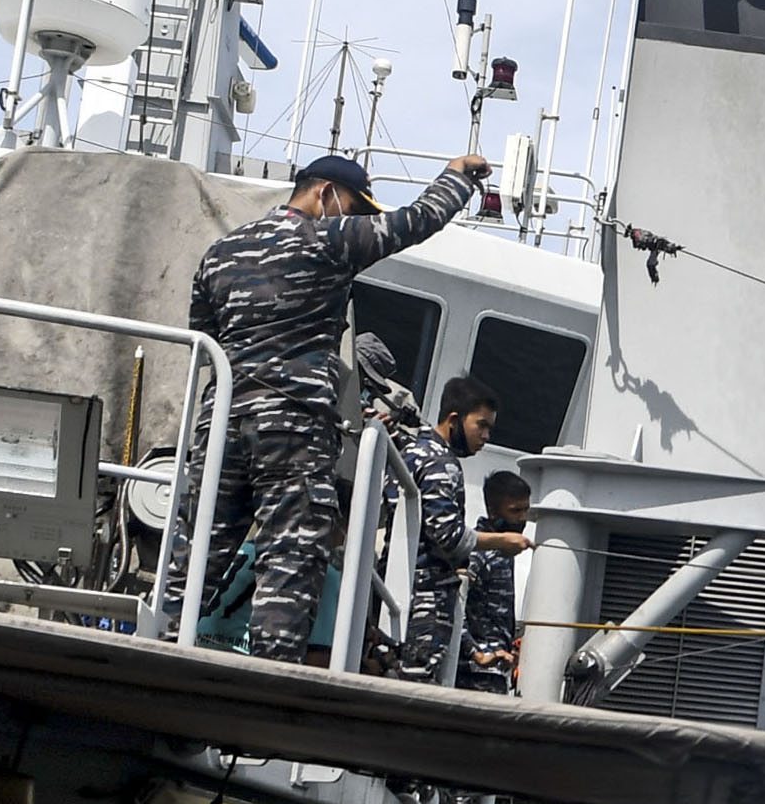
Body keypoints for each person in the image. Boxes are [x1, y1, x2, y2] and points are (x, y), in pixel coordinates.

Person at [175, 152, 490, 662]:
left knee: (196, 554)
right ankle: (270, 682)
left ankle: (159, 644)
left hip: (221, 423)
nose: (354, 221)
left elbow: (203, 339)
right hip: (292, 426)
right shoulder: (327, 240)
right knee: (290, 555)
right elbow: (416, 222)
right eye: (351, 209)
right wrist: (456, 178)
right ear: (323, 195)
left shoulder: (220, 252)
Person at [353, 346, 500, 687]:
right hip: (424, 599)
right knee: (412, 688)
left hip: (400, 587)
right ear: (453, 419)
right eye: (481, 425)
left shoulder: (414, 451)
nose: (486, 437)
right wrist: (501, 542)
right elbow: (447, 535)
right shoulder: (441, 463)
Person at [456, 471, 532, 694]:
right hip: (474, 674)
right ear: (492, 512)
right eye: (515, 511)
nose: (522, 518)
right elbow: (453, 603)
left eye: (526, 510)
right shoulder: (478, 554)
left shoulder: (504, 552)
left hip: (497, 671)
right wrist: (476, 653)